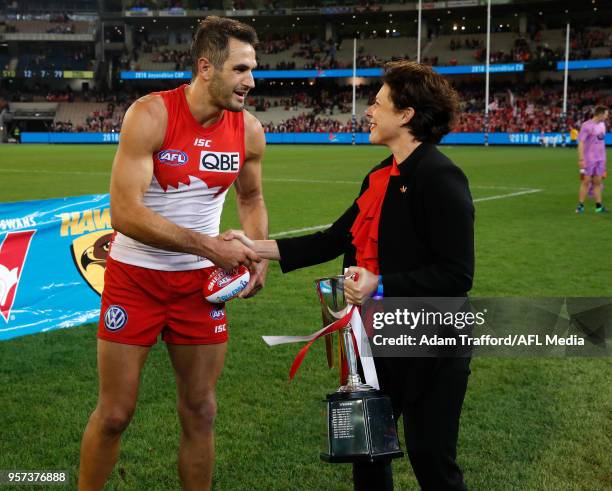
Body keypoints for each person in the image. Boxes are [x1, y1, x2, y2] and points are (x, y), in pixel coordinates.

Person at [227, 61, 474, 490]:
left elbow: (457, 274)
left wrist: (384, 285)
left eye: (378, 103)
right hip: (374, 341)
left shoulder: (440, 177)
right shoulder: (379, 175)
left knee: (430, 457)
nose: (368, 111)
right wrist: (251, 247)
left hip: (431, 343)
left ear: (406, 114)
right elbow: (333, 240)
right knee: (367, 452)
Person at [78, 16, 267, 491]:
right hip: (134, 279)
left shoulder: (248, 131)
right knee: (116, 414)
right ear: (206, 67)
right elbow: (124, 213)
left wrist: (258, 252)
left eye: (253, 69)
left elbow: (250, 198)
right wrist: (207, 245)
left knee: (201, 410)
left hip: (200, 289)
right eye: (241, 69)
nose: (251, 80)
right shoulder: (151, 115)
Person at [576, 105, 608, 213]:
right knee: (586, 181)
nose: (607, 117)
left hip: (600, 158)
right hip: (589, 158)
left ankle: (598, 207)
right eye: (606, 114)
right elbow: (581, 143)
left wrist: (604, 160)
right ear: (600, 114)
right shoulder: (586, 125)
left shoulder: (603, 125)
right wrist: (581, 159)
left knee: (597, 182)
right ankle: (580, 206)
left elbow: (601, 142)